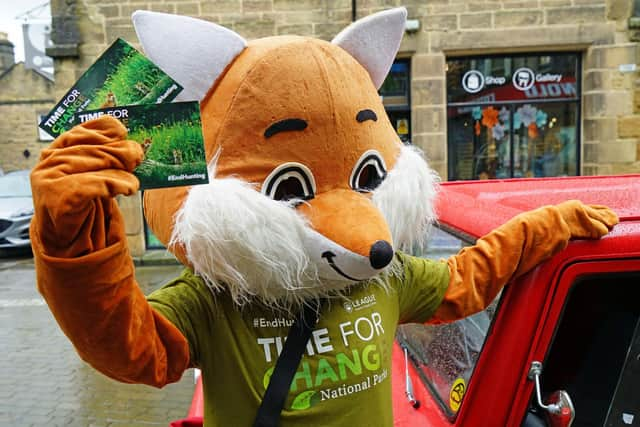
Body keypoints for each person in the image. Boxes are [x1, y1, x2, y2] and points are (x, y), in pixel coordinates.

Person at [30, 8, 618, 426]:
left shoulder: (387, 276)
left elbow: (467, 279)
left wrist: (547, 224)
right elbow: (129, 348)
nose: (363, 235)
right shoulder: (213, 299)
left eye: (366, 179)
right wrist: (75, 245)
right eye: (291, 187)